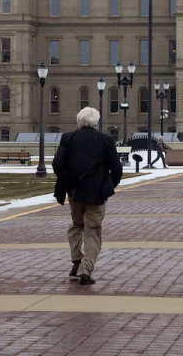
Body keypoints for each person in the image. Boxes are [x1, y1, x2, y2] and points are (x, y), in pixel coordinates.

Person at [53, 107, 122, 286]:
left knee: (77, 225)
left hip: (74, 191)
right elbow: (116, 167)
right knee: (93, 228)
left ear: (79, 121)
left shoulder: (68, 138)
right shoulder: (105, 139)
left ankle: (76, 261)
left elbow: (57, 163)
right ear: (96, 122)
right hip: (97, 192)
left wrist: (67, 180)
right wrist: (110, 185)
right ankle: (86, 269)